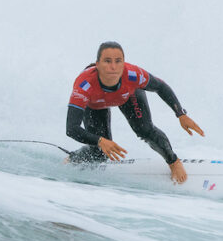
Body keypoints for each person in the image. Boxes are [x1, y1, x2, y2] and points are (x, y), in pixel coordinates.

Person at [66, 41, 204, 183]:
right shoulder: (84, 86)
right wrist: (100, 141)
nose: (113, 67)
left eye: (118, 61)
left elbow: (160, 87)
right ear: (97, 64)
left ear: (123, 63)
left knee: (144, 129)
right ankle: (72, 159)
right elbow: (71, 128)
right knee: (100, 152)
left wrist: (181, 114)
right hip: (95, 105)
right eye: (107, 61)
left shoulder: (133, 75)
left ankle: (174, 162)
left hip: (127, 96)